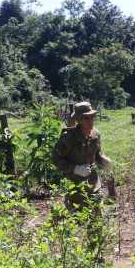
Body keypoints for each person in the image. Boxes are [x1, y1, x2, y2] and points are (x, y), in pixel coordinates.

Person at [52, 101, 112, 255]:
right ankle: (58, 237)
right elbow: (55, 160)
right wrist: (75, 169)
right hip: (75, 183)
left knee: (96, 214)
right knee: (75, 217)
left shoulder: (95, 134)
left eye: (92, 117)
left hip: (92, 181)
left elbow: (97, 153)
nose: (90, 121)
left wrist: (103, 159)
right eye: (86, 118)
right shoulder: (68, 138)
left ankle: (94, 251)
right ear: (78, 120)